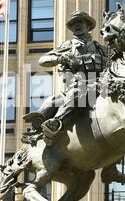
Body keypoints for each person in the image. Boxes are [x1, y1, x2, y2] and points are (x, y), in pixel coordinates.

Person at [24, 11, 108, 146]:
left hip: (101, 87)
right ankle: (52, 123)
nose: (76, 25)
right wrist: (60, 58)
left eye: (79, 22)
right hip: (77, 85)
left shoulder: (100, 49)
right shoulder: (68, 46)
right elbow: (43, 60)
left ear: (87, 25)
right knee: (71, 96)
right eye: (73, 23)